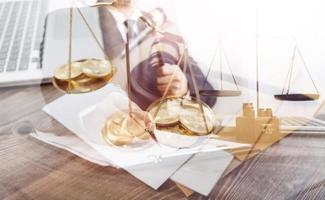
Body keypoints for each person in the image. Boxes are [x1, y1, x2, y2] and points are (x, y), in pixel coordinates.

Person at [98, 0, 216, 109]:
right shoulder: (88, 30)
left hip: (174, 121)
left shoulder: (165, 26)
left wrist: (184, 89)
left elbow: (207, 93)